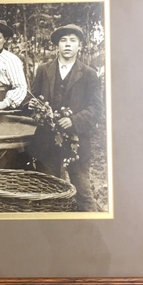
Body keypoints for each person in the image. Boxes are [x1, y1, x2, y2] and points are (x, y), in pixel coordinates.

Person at [30, 24, 103, 212]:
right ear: (57, 46)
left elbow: (96, 108)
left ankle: (94, 230)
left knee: (82, 191)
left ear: (80, 46)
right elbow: (33, 99)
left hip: (76, 143)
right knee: (49, 190)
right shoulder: (43, 70)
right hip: (47, 142)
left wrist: (74, 121)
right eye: (63, 40)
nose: (67, 45)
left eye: (73, 41)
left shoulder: (89, 74)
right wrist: (36, 110)